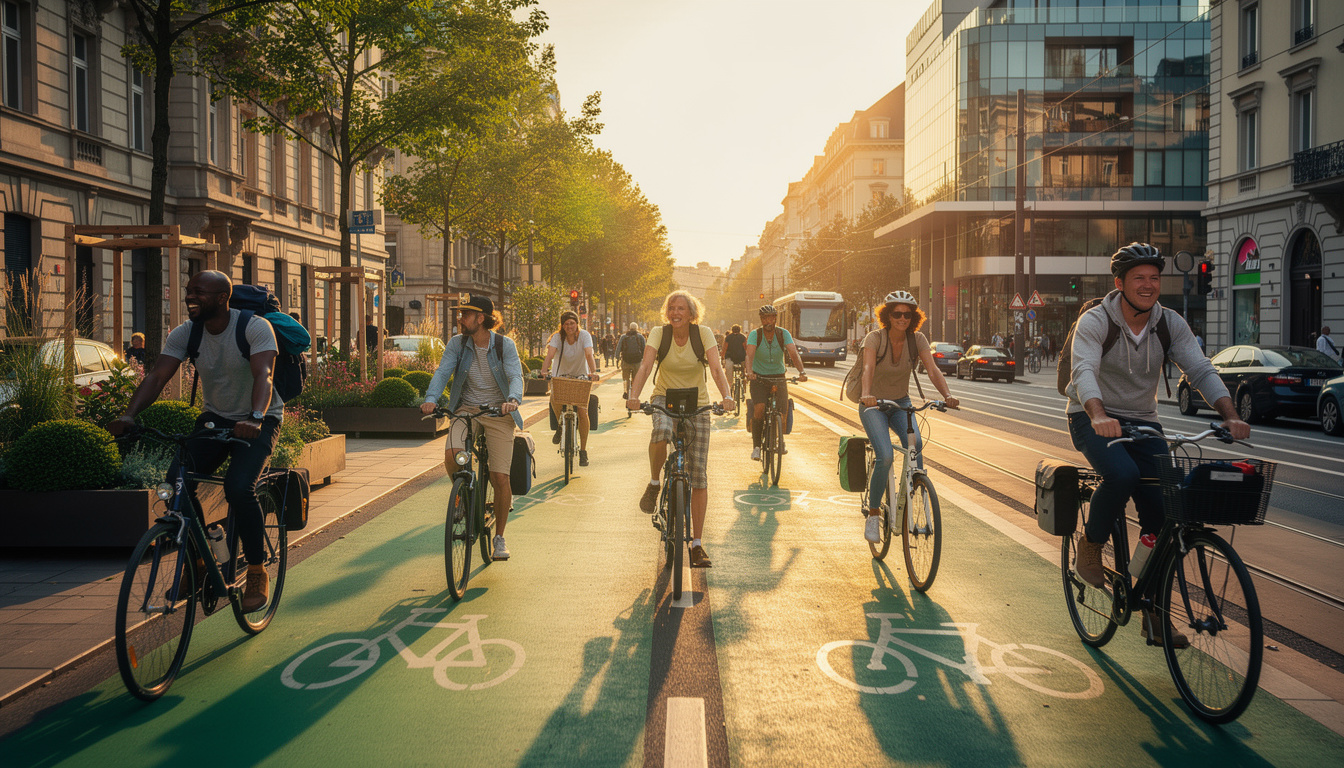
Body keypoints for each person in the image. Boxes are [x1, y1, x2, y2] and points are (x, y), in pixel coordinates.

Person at [1066, 243, 1248, 647]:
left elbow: (1199, 369)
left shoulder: (1169, 323)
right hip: (1090, 416)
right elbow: (1084, 370)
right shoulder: (1097, 321)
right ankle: (1091, 545)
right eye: (1139, 279)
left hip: (1144, 422)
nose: (1148, 286)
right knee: (1122, 475)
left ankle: (1151, 609)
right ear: (1120, 284)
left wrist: (1229, 414)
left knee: (1164, 513)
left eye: (1153, 278)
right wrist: (1097, 414)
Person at [108, 271, 282, 612]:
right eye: (189, 291)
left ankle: (258, 570)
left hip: (259, 419)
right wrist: (129, 415)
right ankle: (200, 562)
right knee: (177, 484)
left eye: (198, 292)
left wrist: (256, 418)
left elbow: (264, 374)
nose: (190, 297)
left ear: (221, 298)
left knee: (238, 487)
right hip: (216, 417)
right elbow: (158, 375)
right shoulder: (186, 333)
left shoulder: (254, 327)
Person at [625, 291, 733, 568]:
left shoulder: (703, 334)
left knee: (699, 475)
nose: (675, 312)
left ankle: (697, 544)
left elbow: (717, 368)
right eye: (671, 307)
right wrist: (634, 396)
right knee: (660, 432)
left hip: (697, 401)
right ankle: (654, 483)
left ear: (691, 313)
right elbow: (646, 365)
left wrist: (728, 396)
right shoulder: (659, 335)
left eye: (681, 308)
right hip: (664, 397)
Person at [421, 295, 524, 560]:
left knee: (500, 477)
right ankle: (464, 497)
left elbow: (515, 374)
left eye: (465, 314)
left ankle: (499, 538)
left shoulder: (504, 345)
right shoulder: (457, 343)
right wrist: (431, 399)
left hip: (499, 411)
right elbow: (443, 371)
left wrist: (512, 400)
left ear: (481, 318)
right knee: (451, 454)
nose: (460, 318)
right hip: (466, 409)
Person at [858, 291, 959, 544]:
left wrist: (947, 395)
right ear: (887, 315)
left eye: (908, 314)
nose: (902, 318)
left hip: (901, 402)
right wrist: (867, 395)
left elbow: (933, 369)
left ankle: (913, 486)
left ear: (914, 317)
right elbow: (868, 368)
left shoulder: (918, 339)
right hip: (874, 404)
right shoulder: (874, 338)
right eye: (897, 314)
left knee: (917, 446)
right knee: (886, 456)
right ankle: (873, 514)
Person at [744, 305, 807, 460]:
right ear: (761, 320)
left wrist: (802, 372)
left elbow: (793, 353)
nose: (768, 321)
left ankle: (780, 440)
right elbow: (749, 355)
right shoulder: (755, 334)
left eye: (771, 318)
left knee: (782, 412)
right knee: (759, 409)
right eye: (764, 318)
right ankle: (757, 447)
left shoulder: (783, 333)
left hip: (779, 377)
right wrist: (749, 372)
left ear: (775, 319)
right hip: (759, 378)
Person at [543, 310, 600, 466]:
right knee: (554, 398)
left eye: (572, 323)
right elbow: (550, 355)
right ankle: (561, 425)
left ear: (577, 324)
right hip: (560, 375)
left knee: (582, 410)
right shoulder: (557, 338)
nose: (570, 326)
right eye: (566, 323)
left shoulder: (584, 336)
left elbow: (589, 354)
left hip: (581, 375)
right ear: (562, 325)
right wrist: (543, 371)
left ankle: (583, 451)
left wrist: (593, 372)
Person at [618, 322, 646, 400]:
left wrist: (617, 358)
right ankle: (634, 394)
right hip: (637, 362)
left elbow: (618, 348)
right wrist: (644, 359)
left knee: (626, 378)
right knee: (636, 378)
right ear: (637, 328)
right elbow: (645, 348)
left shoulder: (623, 337)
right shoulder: (640, 337)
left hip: (626, 361)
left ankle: (626, 392)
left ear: (629, 328)